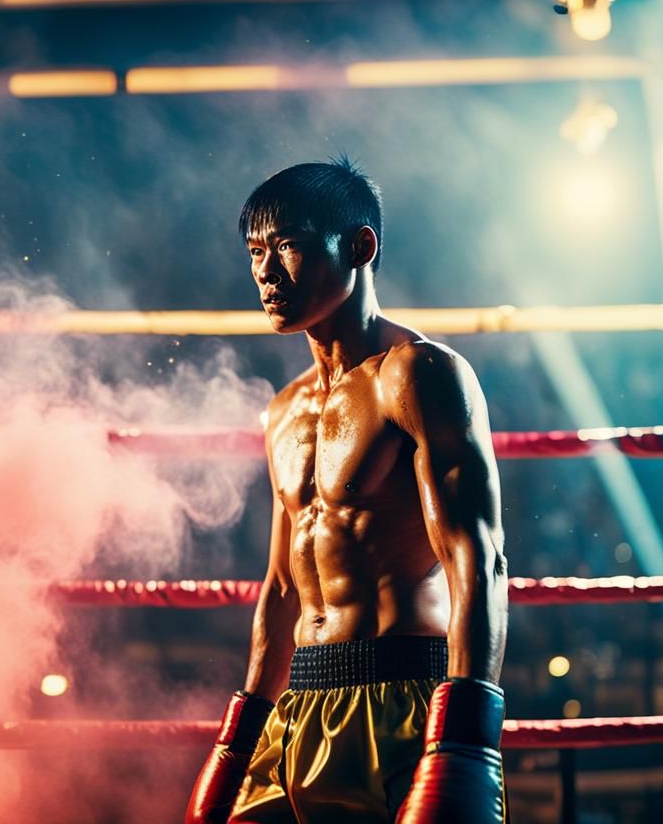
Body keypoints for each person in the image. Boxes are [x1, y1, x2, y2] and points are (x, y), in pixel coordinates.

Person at [186, 159, 509, 824]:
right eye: (255, 252)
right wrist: (243, 729)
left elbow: (478, 559)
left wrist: (466, 736)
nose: (266, 274)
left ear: (359, 247)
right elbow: (281, 587)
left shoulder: (419, 375)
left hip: (404, 699)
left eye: (290, 247)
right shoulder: (283, 410)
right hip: (297, 708)